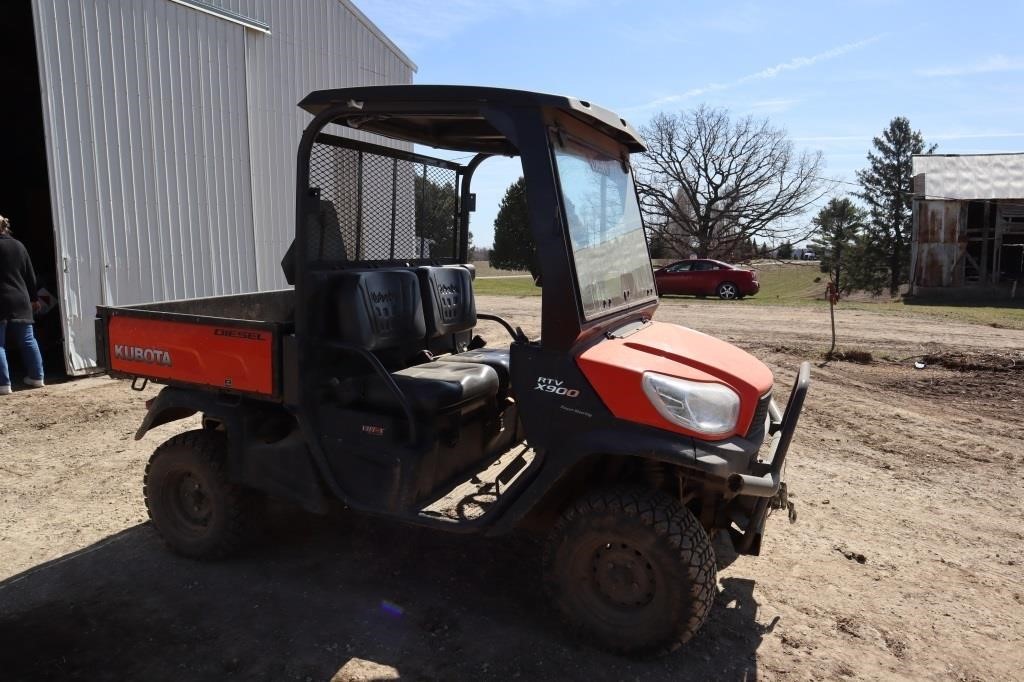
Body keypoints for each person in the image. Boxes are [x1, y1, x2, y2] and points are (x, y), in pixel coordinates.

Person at [0, 215, 45, 394]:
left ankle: (3, 384)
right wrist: (34, 299)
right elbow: (30, 276)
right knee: (27, 340)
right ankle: (37, 377)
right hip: (21, 299)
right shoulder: (19, 245)